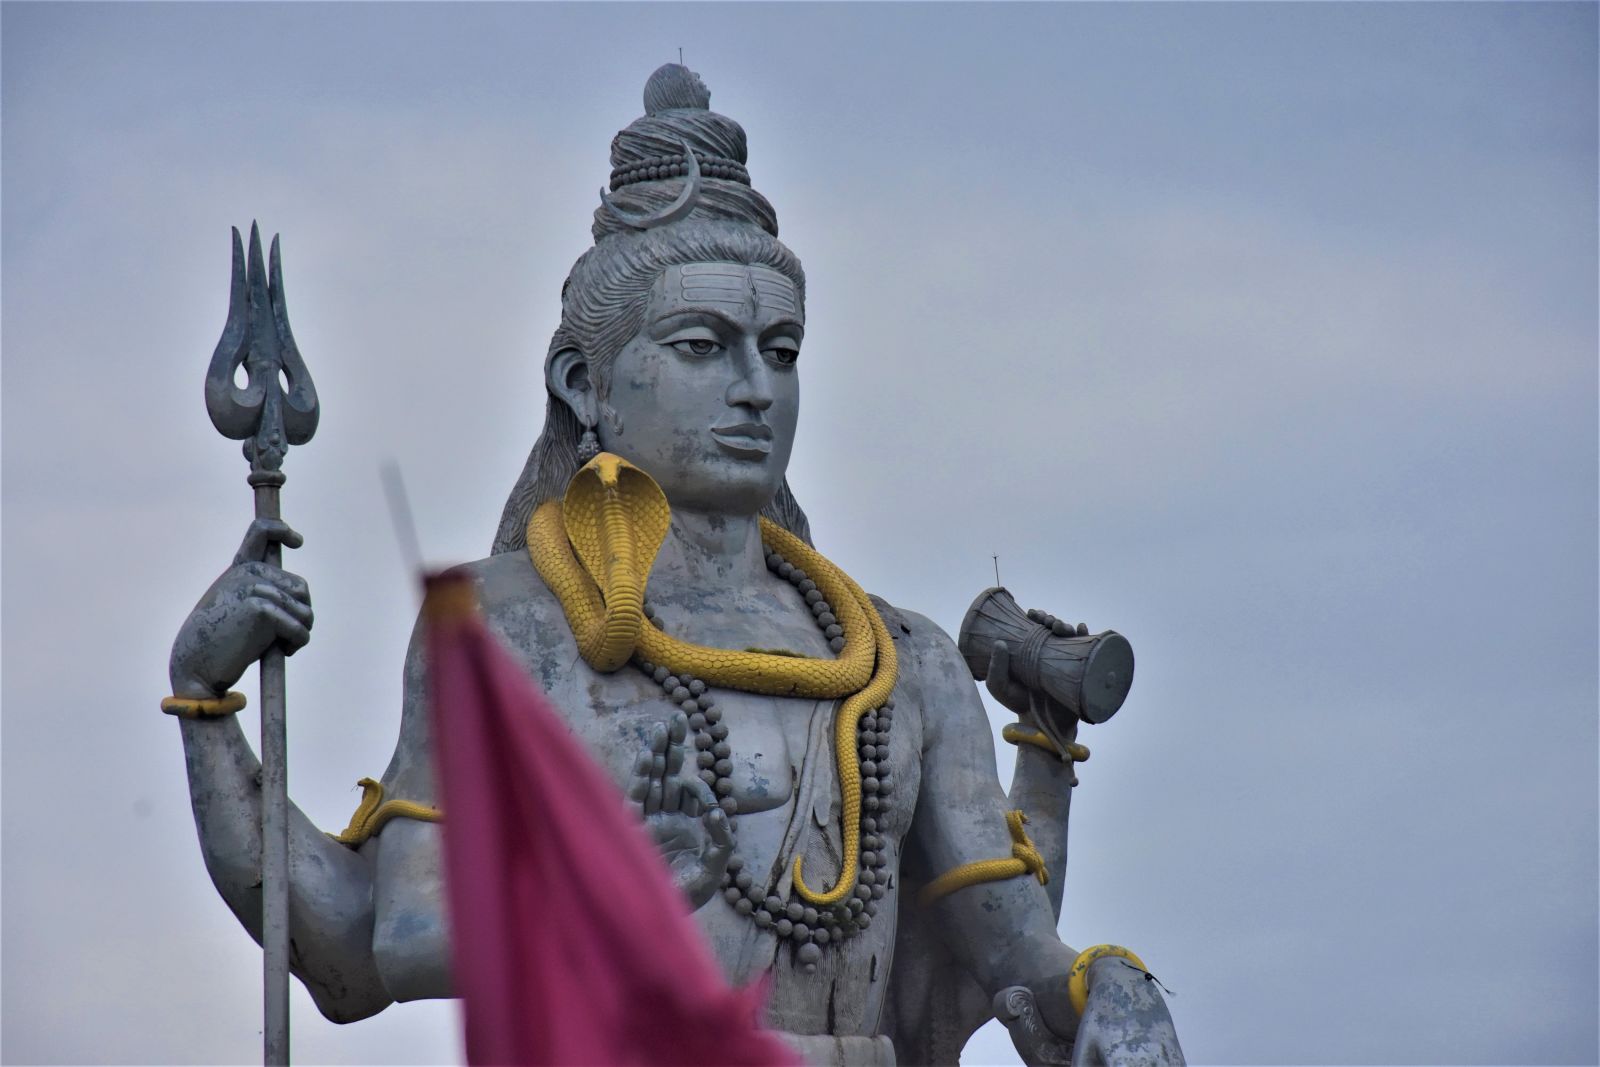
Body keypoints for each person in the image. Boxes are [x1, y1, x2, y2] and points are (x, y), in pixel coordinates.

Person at [165, 64, 1183, 1066]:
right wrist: (206, 701)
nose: (753, 388)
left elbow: (1013, 948)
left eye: (779, 352)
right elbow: (374, 944)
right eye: (704, 345)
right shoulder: (511, 627)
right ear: (584, 382)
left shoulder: (899, 659)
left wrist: (1109, 986)